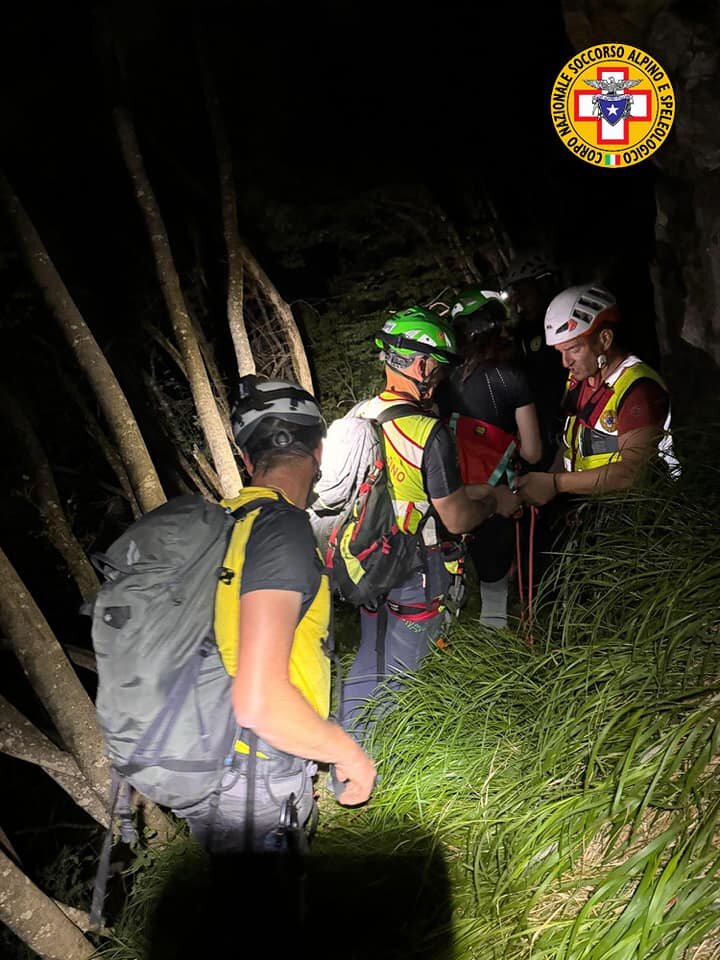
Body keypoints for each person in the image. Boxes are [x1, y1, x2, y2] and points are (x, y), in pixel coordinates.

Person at [176, 376, 377, 855]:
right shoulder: (280, 528)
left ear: (247, 460)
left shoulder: (222, 520)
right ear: (320, 450)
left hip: (208, 755)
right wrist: (347, 753)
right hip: (257, 773)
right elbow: (260, 698)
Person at [340, 307, 520, 733]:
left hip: (368, 559)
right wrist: (493, 503)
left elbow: (399, 489)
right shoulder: (427, 431)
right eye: (438, 369)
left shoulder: (357, 417)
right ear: (421, 364)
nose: (439, 380)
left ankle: (349, 756)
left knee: (371, 655)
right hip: (416, 571)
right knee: (404, 671)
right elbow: (456, 518)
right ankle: (378, 764)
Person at [515, 283, 680, 507]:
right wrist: (546, 484)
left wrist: (556, 483)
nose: (566, 362)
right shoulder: (579, 380)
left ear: (605, 339)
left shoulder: (639, 390)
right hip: (589, 508)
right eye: (560, 352)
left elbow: (633, 473)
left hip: (636, 517)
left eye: (574, 349)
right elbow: (570, 443)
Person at [436, 289, 542, 628]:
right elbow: (532, 451)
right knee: (493, 585)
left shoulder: (442, 383)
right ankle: (493, 648)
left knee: (445, 587)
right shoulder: (511, 378)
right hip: (496, 495)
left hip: (451, 492)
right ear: (493, 329)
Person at [503, 252, 567, 470]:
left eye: (524, 293)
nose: (520, 301)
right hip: (542, 423)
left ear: (544, 286)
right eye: (516, 294)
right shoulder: (522, 332)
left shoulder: (568, 323)